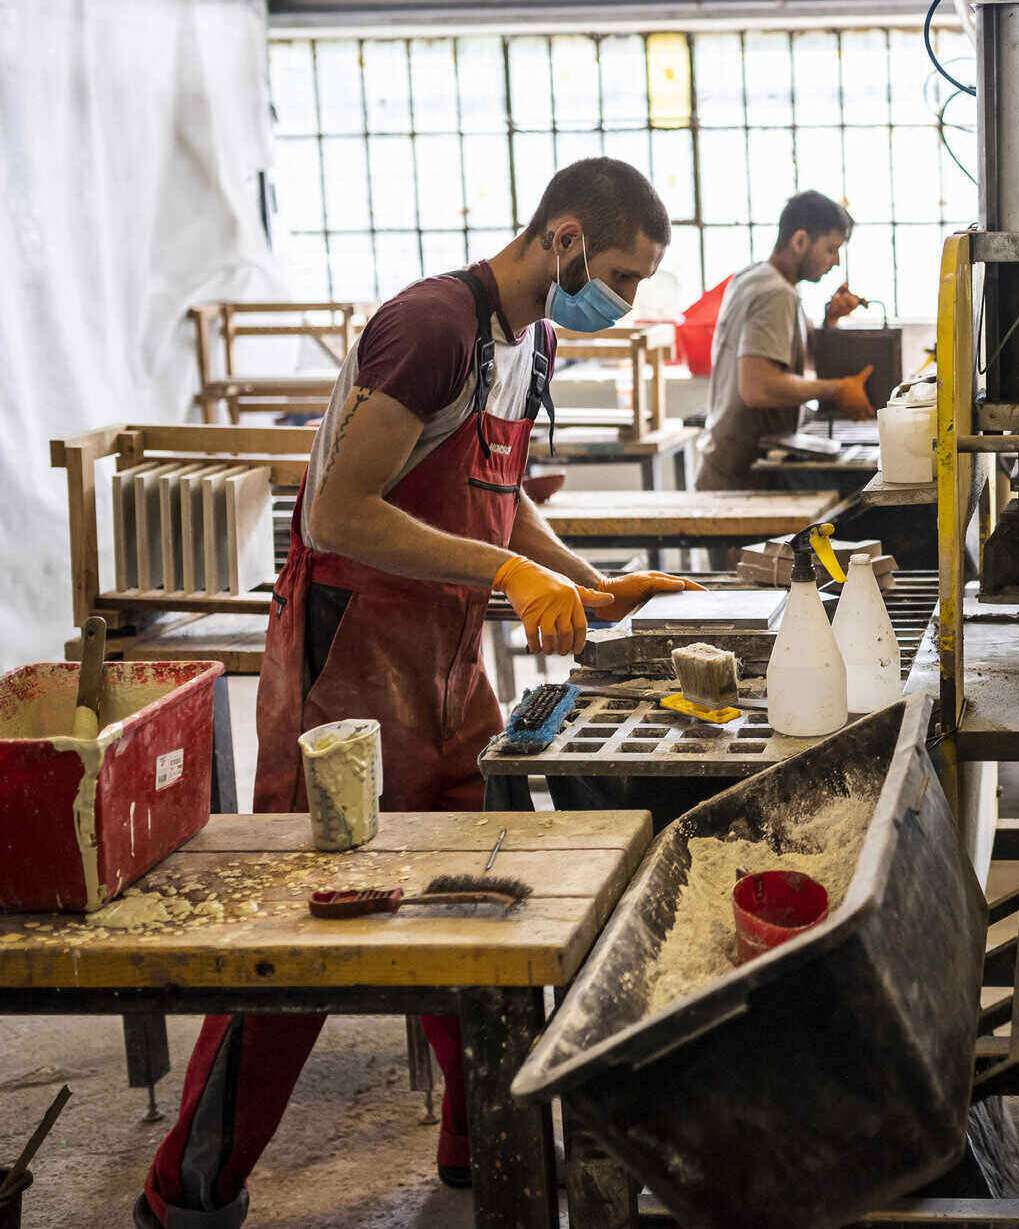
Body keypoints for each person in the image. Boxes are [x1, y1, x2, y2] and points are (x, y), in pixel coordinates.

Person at [136, 157, 702, 1229]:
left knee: (474, 900)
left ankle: (481, 1137)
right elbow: (337, 514)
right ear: (565, 238)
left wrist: (588, 583)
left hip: (443, 663)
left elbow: (498, 502)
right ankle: (185, 1194)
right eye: (621, 276)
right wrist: (512, 575)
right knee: (308, 934)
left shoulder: (529, 342)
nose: (625, 301)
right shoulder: (433, 326)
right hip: (347, 661)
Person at [695, 190, 878, 490]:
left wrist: (829, 322)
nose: (835, 262)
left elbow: (789, 362)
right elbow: (758, 387)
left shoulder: (754, 277)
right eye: (831, 249)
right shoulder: (776, 293)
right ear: (800, 241)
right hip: (741, 480)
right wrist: (838, 389)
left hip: (729, 469)